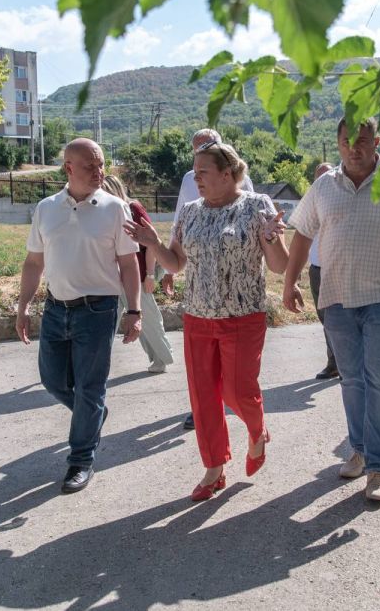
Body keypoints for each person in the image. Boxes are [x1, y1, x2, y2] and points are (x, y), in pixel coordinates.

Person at [283, 116, 380, 502]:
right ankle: (357, 450)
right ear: (337, 143)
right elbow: (302, 235)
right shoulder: (323, 186)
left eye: (362, 141)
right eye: (346, 141)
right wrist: (289, 283)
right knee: (352, 379)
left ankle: (378, 468)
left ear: (377, 142)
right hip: (336, 296)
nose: (354, 149)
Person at [124, 141, 289, 501]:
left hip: (243, 316)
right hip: (197, 316)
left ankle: (257, 431)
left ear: (227, 174)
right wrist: (152, 242)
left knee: (236, 390)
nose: (196, 179)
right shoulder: (190, 212)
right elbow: (176, 264)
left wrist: (270, 239)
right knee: (203, 397)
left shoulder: (257, 205)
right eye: (194, 172)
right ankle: (214, 468)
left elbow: (279, 266)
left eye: (203, 172)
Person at [16, 138, 143, 495]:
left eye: (102, 165)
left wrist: (133, 310)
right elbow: (33, 262)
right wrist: (24, 306)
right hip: (56, 308)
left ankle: (81, 459)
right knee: (53, 381)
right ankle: (93, 413)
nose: (99, 172)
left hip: (98, 310)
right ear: (68, 168)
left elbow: (129, 263)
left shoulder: (115, 208)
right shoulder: (46, 208)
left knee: (90, 386)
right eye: (91, 166)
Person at [161, 128, 254, 431]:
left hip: (239, 302)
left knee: (235, 388)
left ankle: (250, 423)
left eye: (206, 149)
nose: (196, 173)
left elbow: (249, 210)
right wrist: (163, 265)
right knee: (203, 389)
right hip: (199, 300)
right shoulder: (190, 183)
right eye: (195, 153)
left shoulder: (246, 192)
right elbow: (179, 223)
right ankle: (213, 458)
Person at [102, 175, 174, 373]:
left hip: (140, 274)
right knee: (106, 322)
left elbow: (151, 243)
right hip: (115, 278)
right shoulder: (105, 213)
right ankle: (91, 361)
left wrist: (150, 276)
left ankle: (162, 358)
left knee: (148, 320)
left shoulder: (133, 208)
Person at [307, 162, 341, 380]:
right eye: (318, 176)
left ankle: (344, 362)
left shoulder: (340, 199)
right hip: (316, 268)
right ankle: (334, 362)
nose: (323, 179)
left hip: (337, 269)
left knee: (338, 319)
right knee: (325, 319)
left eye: (327, 175)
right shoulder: (310, 201)